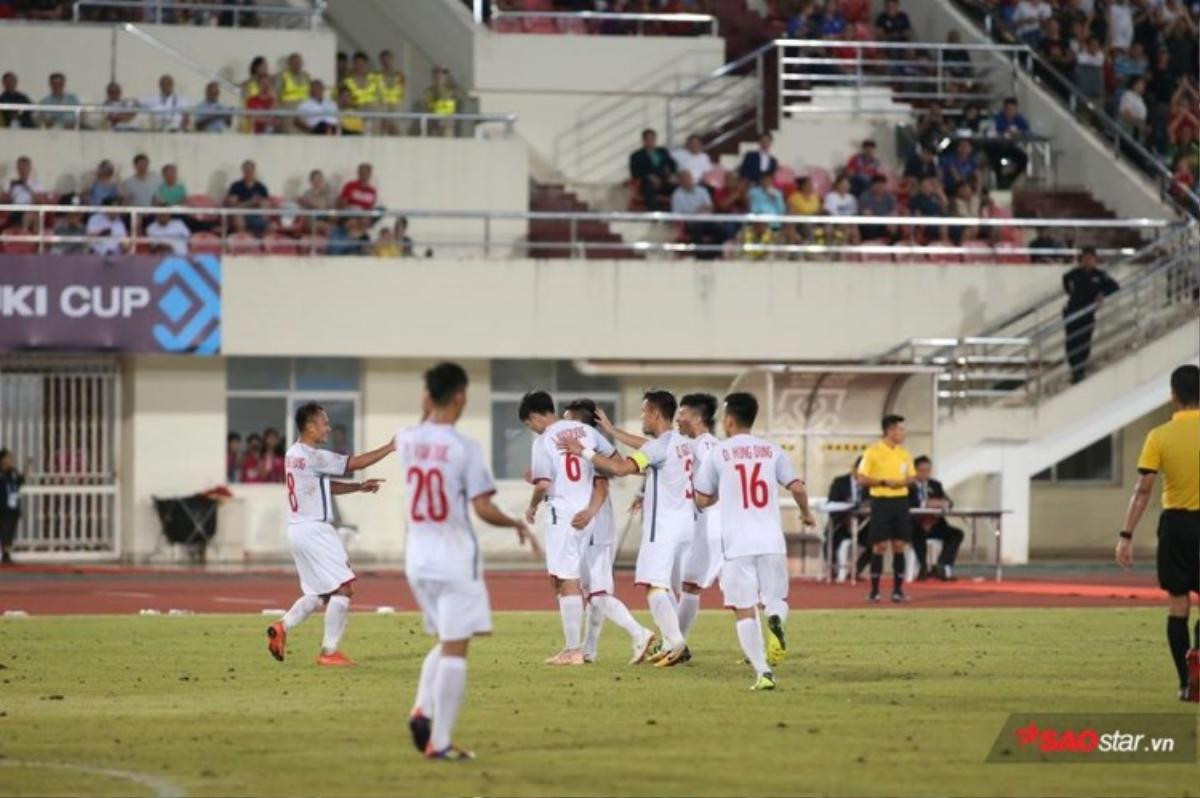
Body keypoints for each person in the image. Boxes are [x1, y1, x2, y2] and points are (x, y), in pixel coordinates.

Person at [399, 363, 536, 759]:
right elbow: (482, 507)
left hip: (417, 560)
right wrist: (515, 524)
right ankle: (439, 742)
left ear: (427, 395)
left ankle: (421, 709)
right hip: (454, 560)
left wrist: (428, 407)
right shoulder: (465, 448)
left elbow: (421, 428)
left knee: (446, 638)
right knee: (456, 649)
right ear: (460, 395)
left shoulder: (407, 440)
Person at [560, 390, 693, 667]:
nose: (642, 416)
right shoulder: (679, 442)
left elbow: (620, 469)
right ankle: (670, 642)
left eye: (644, 411)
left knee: (653, 585)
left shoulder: (657, 448)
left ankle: (676, 644)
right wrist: (612, 431)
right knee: (664, 585)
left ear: (655, 414)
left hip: (664, 527)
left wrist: (583, 450)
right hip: (686, 525)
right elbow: (646, 449)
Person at [693, 392, 817, 691]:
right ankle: (775, 619)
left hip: (737, 545)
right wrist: (806, 514)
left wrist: (721, 491)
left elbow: (701, 498)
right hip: (771, 540)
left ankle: (763, 672)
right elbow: (798, 488)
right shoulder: (771, 451)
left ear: (730, 420)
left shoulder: (719, 453)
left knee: (743, 608)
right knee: (776, 600)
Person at [520, 391, 652, 665]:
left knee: (572, 582)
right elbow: (617, 465)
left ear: (534, 416)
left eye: (528, 424)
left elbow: (544, 484)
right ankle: (585, 649)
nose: (531, 429)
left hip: (567, 515)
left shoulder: (544, 440)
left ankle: (579, 648)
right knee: (579, 585)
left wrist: (533, 505)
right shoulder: (588, 434)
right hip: (588, 518)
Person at [265, 402, 393, 668]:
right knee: (344, 587)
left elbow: (324, 487)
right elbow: (353, 463)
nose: (328, 427)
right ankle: (329, 651)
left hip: (297, 529)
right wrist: (391, 447)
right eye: (324, 422)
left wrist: (358, 487)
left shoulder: (293, 454)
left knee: (320, 593)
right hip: (316, 529)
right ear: (311, 426)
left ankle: (283, 626)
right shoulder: (314, 456)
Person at [1116, 364, 1200, 702]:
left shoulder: (1159, 436)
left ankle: (1185, 683)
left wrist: (1126, 534)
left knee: (1177, 605)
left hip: (1176, 527)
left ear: (1173, 395)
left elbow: (1142, 490)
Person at [562, 399, 656, 665]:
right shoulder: (583, 449)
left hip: (595, 526)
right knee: (594, 591)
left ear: (580, 424)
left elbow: (603, 482)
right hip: (594, 524)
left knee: (597, 593)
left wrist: (590, 513)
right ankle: (589, 650)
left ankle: (640, 633)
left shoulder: (589, 447)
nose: (563, 425)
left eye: (568, 419)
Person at [674, 393, 721, 646]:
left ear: (696, 417)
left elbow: (721, 480)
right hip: (699, 524)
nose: (678, 419)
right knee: (687, 584)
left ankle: (676, 644)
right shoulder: (691, 444)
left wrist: (709, 502)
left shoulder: (708, 445)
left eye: (681, 414)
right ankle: (675, 642)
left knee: (690, 585)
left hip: (711, 525)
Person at [857, 414, 917, 603]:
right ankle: (874, 591)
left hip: (901, 501)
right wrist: (883, 481)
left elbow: (912, 477)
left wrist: (902, 482)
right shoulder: (872, 452)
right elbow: (862, 478)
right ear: (890, 430)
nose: (903, 433)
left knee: (899, 545)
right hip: (881, 502)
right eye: (900, 429)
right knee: (879, 546)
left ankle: (898, 591)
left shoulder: (904, 453)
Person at [1062, 247, 1119, 384]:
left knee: (1085, 341)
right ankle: (1074, 368)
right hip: (1073, 311)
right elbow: (1065, 280)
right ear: (1081, 260)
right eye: (1085, 259)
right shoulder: (1075, 274)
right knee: (1071, 341)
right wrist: (1070, 293)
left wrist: (1102, 294)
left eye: (1091, 259)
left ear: (1095, 260)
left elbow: (1114, 286)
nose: (1088, 261)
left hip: (1088, 313)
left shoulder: (1099, 275)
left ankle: (1080, 370)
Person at [909, 456, 964, 581]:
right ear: (915, 471)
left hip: (934, 523)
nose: (925, 474)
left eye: (928, 470)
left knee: (956, 534)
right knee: (917, 532)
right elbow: (908, 503)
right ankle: (923, 567)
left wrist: (944, 503)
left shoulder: (935, 485)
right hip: (915, 524)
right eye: (921, 471)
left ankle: (942, 565)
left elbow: (949, 502)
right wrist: (925, 504)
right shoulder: (908, 486)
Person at [826, 457, 869, 583]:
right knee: (832, 539)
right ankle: (835, 570)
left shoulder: (870, 485)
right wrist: (846, 516)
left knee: (877, 539)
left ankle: (856, 570)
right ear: (854, 469)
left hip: (862, 524)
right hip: (841, 523)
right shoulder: (840, 482)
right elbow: (832, 502)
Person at [629, 128, 677, 211]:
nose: (651, 141)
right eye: (648, 139)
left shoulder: (662, 151)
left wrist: (671, 172)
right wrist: (648, 176)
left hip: (665, 181)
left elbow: (672, 164)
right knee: (649, 189)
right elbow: (635, 173)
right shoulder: (636, 156)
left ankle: (676, 215)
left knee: (678, 188)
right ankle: (655, 216)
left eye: (653, 139)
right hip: (648, 183)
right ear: (643, 140)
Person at [224, 160, 271, 235]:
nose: (248, 172)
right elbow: (233, 206)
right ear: (242, 171)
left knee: (273, 226)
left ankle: (262, 244)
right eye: (246, 169)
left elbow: (266, 205)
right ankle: (245, 240)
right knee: (238, 218)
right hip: (242, 216)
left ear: (254, 170)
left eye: (250, 169)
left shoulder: (261, 187)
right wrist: (250, 202)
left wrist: (262, 205)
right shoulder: (236, 186)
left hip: (257, 216)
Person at [0, 449, 29, 566]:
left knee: (10, 530)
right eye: (8, 458)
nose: (10, 460)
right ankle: (5, 554)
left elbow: (20, 481)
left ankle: (7, 555)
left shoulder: (13, 472)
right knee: (4, 530)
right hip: (2, 506)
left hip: (13, 506)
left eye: (11, 458)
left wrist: (27, 467)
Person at [375, 49, 406, 136]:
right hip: (382, 107)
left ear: (392, 60)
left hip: (395, 108)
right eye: (384, 61)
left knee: (397, 131)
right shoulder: (377, 76)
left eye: (388, 60)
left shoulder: (400, 75)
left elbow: (400, 93)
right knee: (381, 131)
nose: (386, 63)